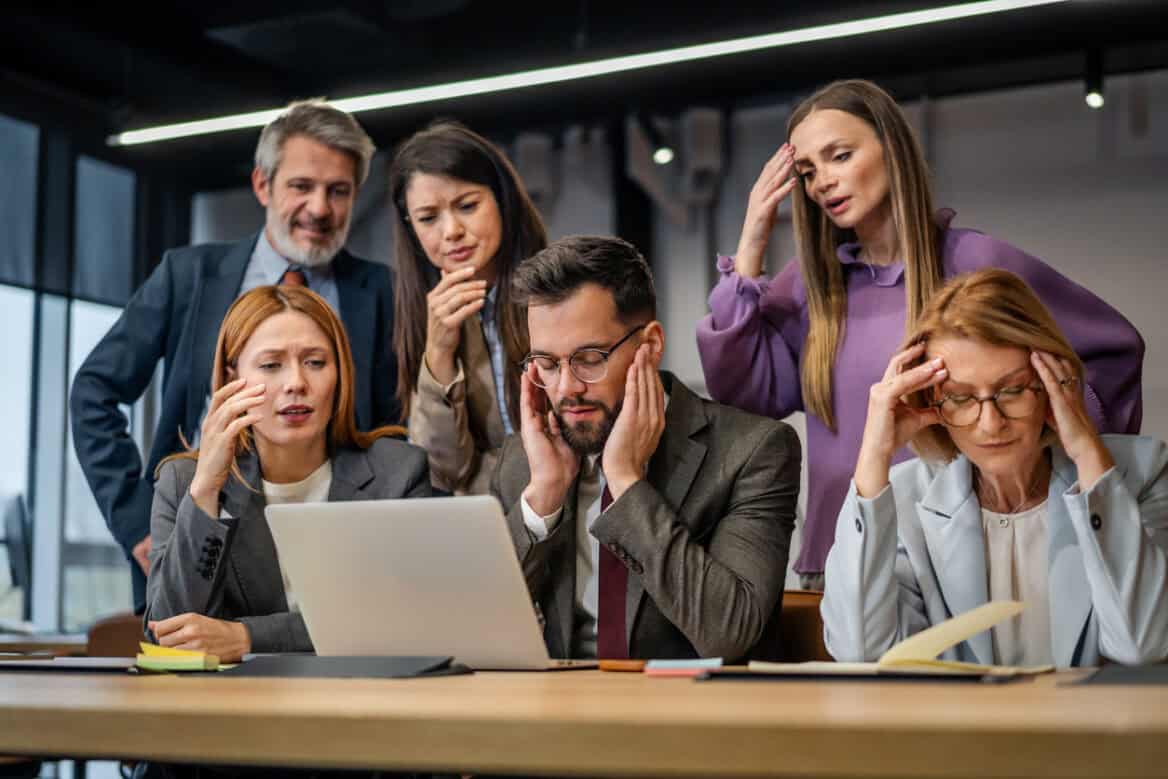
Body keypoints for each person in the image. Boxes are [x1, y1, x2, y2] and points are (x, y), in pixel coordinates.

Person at [696, 79, 1144, 590]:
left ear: (892, 147)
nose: (821, 182)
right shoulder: (810, 286)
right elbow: (740, 394)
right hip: (843, 555)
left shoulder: (978, 264)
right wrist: (753, 236)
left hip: (970, 555)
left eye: (839, 156)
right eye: (807, 171)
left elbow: (1112, 355)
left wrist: (1055, 441)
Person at [70, 100, 401, 612]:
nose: (319, 208)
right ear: (263, 185)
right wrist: (138, 521)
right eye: (301, 186)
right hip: (200, 531)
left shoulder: (381, 291)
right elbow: (94, 391)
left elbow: (389, 426)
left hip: (332, 551)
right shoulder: (189, 275)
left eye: (339, 191)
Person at [821, 269, 1168, 667]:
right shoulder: (900, 499)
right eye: (961, 397)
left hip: (1090, 729)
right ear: (931, 399)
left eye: (1012, 390)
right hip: (958, 729)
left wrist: (1088, 452)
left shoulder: (1143, 472)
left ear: (1052, 382)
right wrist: (873, 455)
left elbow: (1143, 646)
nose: (990, 423)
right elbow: (860, 652)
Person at [493, 235, 799, 661]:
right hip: (560, 715)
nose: (566, 389)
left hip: (693, 716)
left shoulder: (752, 451)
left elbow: (729, 635)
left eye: (589, 358)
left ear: (650, 345)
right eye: (546, 364)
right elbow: (480, 633)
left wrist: (626, 482)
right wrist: (543, 497)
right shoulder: (523, 463)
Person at [145, 285, 430, 661]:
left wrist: (247, 636)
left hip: (363, 698)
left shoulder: (398, 472)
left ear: (341, 374)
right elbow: (169, 633)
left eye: (315, 362)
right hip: (233, 707)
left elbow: (407, 618)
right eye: (271, 365)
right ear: (233, 378)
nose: (296, 382)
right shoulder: (185, 482)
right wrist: (207, 492)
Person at [390, 121, 547, 494]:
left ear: (501, 199)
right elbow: (441, 471)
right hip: (485, 525)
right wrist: (438, 354)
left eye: (467, 206)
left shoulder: (559, 291)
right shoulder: (420, 311)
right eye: (428, 218)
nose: (451, 231)